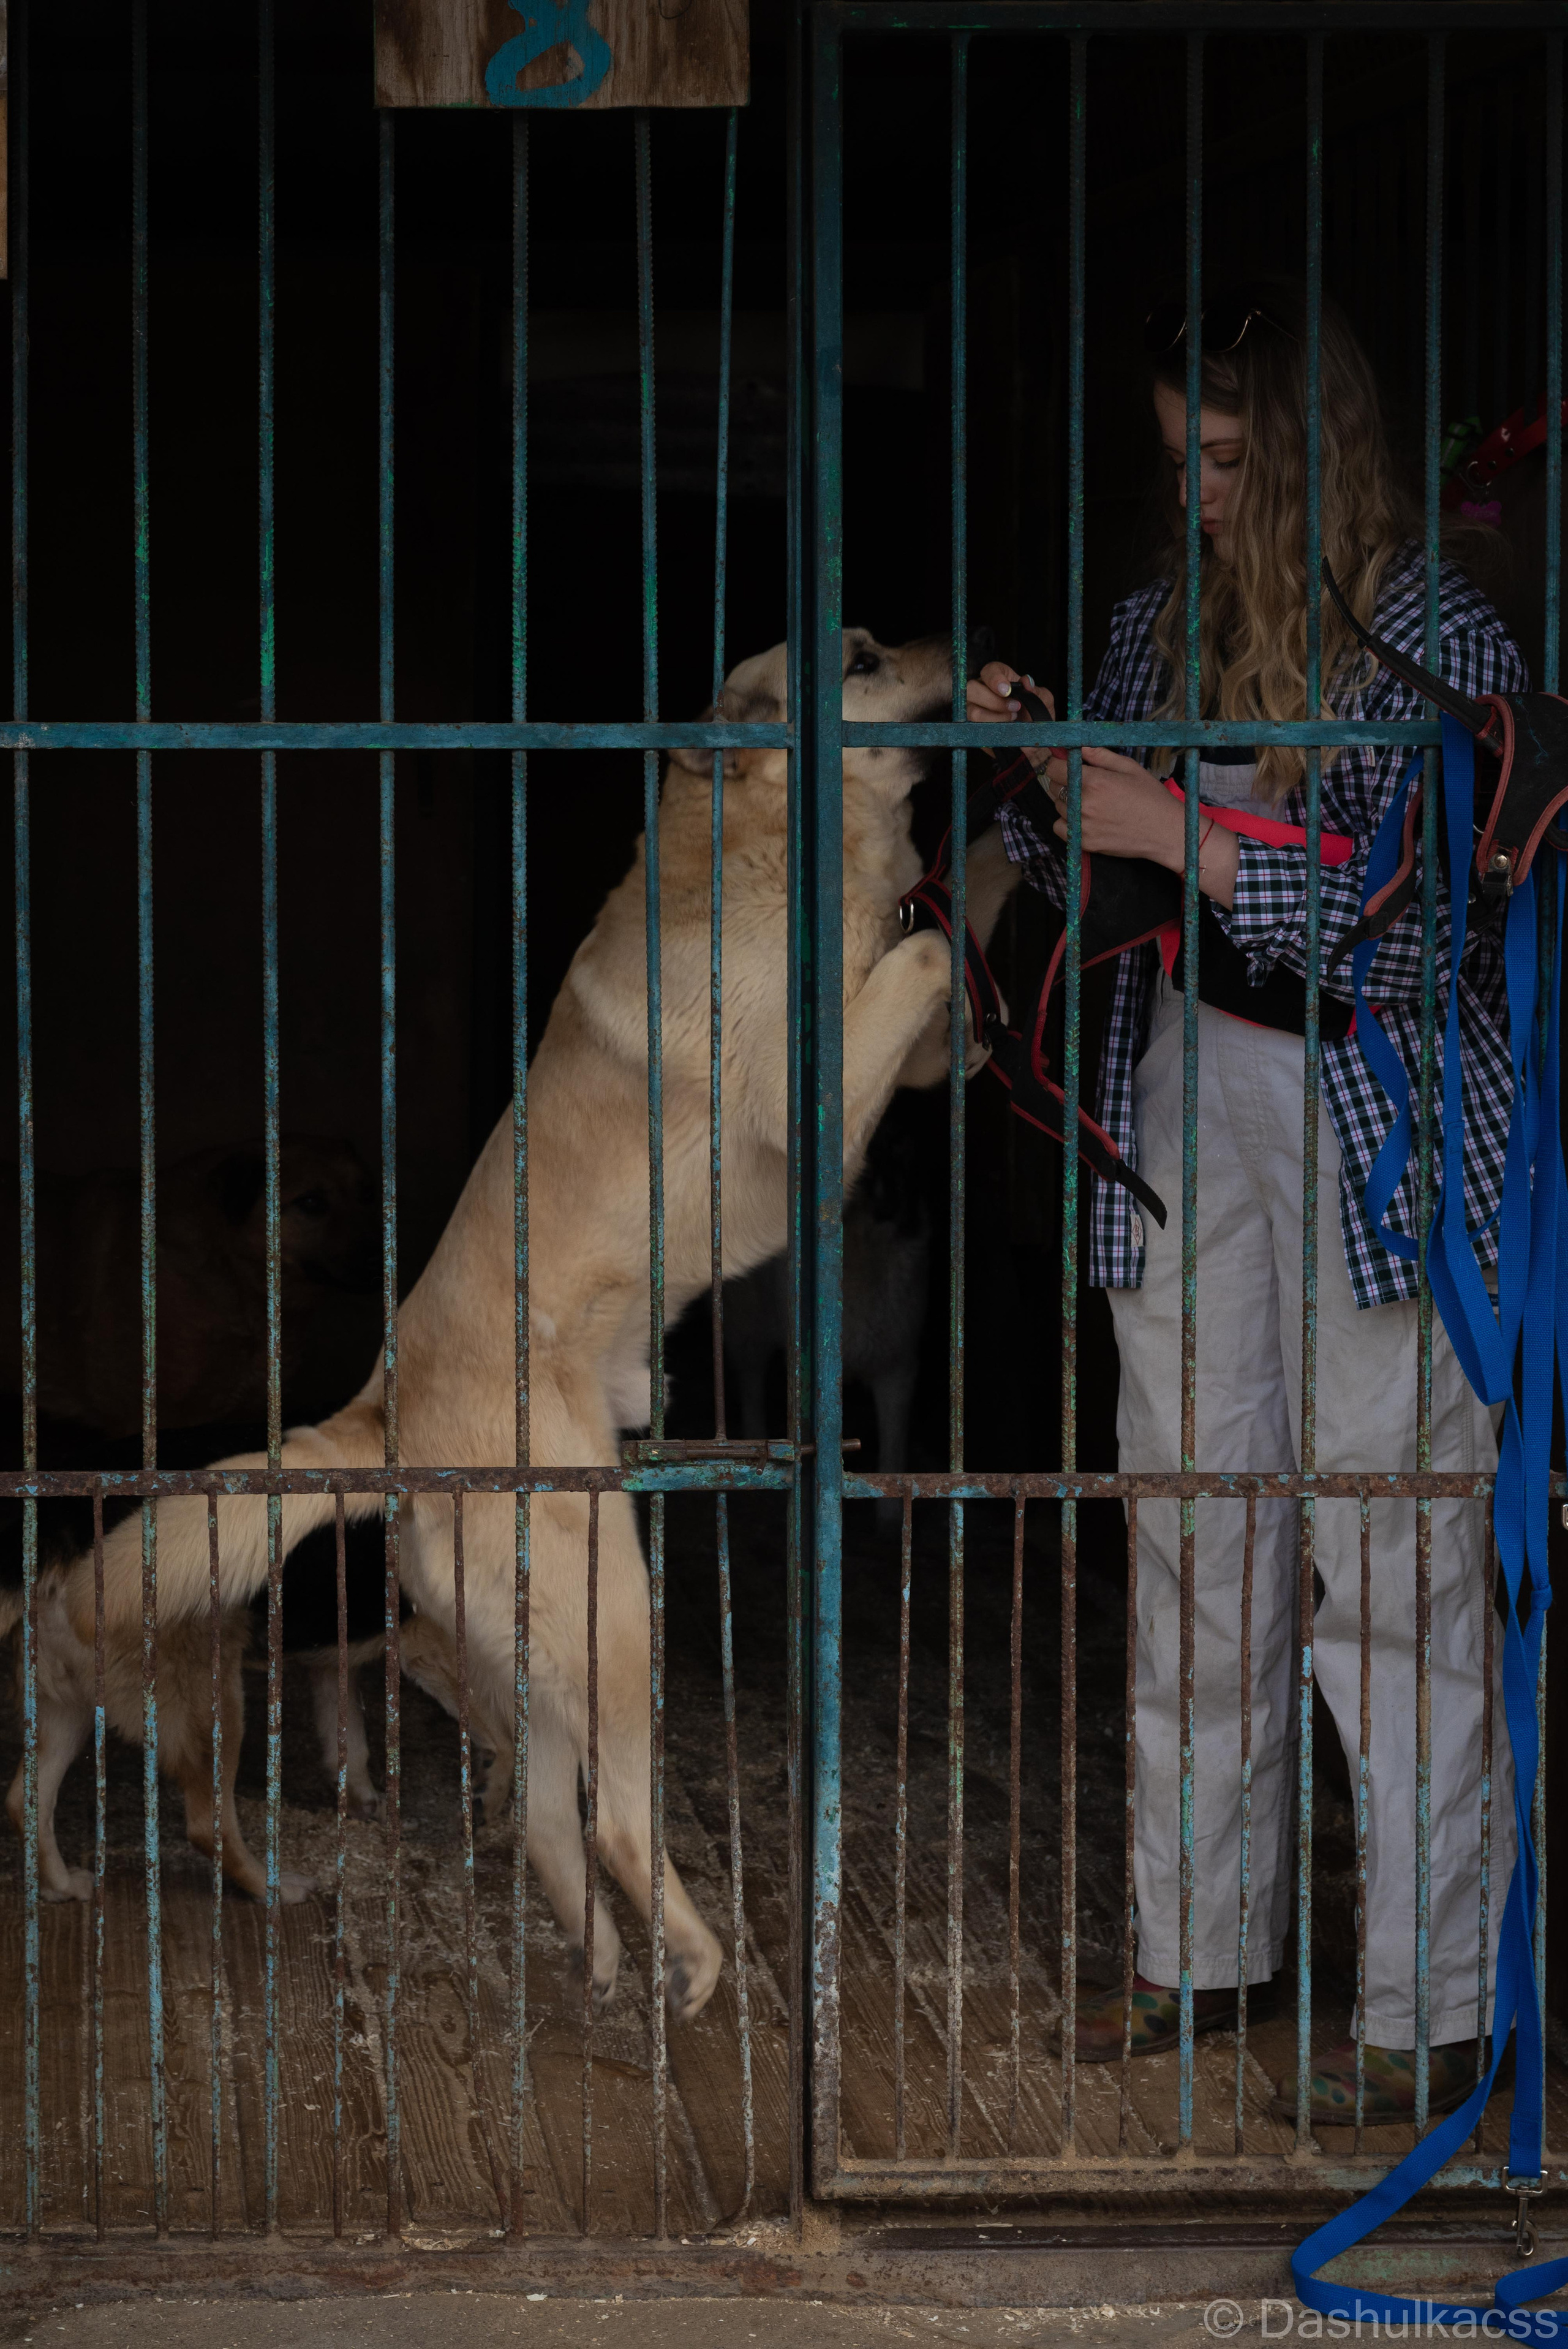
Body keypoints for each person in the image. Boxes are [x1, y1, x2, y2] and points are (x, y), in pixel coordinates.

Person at [967, 278, 1523, 2124]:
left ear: (1306, 448)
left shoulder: (1436, 629)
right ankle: (1200, 1948)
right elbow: (1095, 865)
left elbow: (1433, 913)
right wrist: (1047, 770)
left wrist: (1190, 838)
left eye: (1222, 458)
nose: (1196, 493)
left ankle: (1432, 1999)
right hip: (1185, 1087)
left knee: (1392, 1547)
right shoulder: (1153, 624)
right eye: (1177, 461)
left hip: (1378, 1111)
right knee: (1198, 1527)